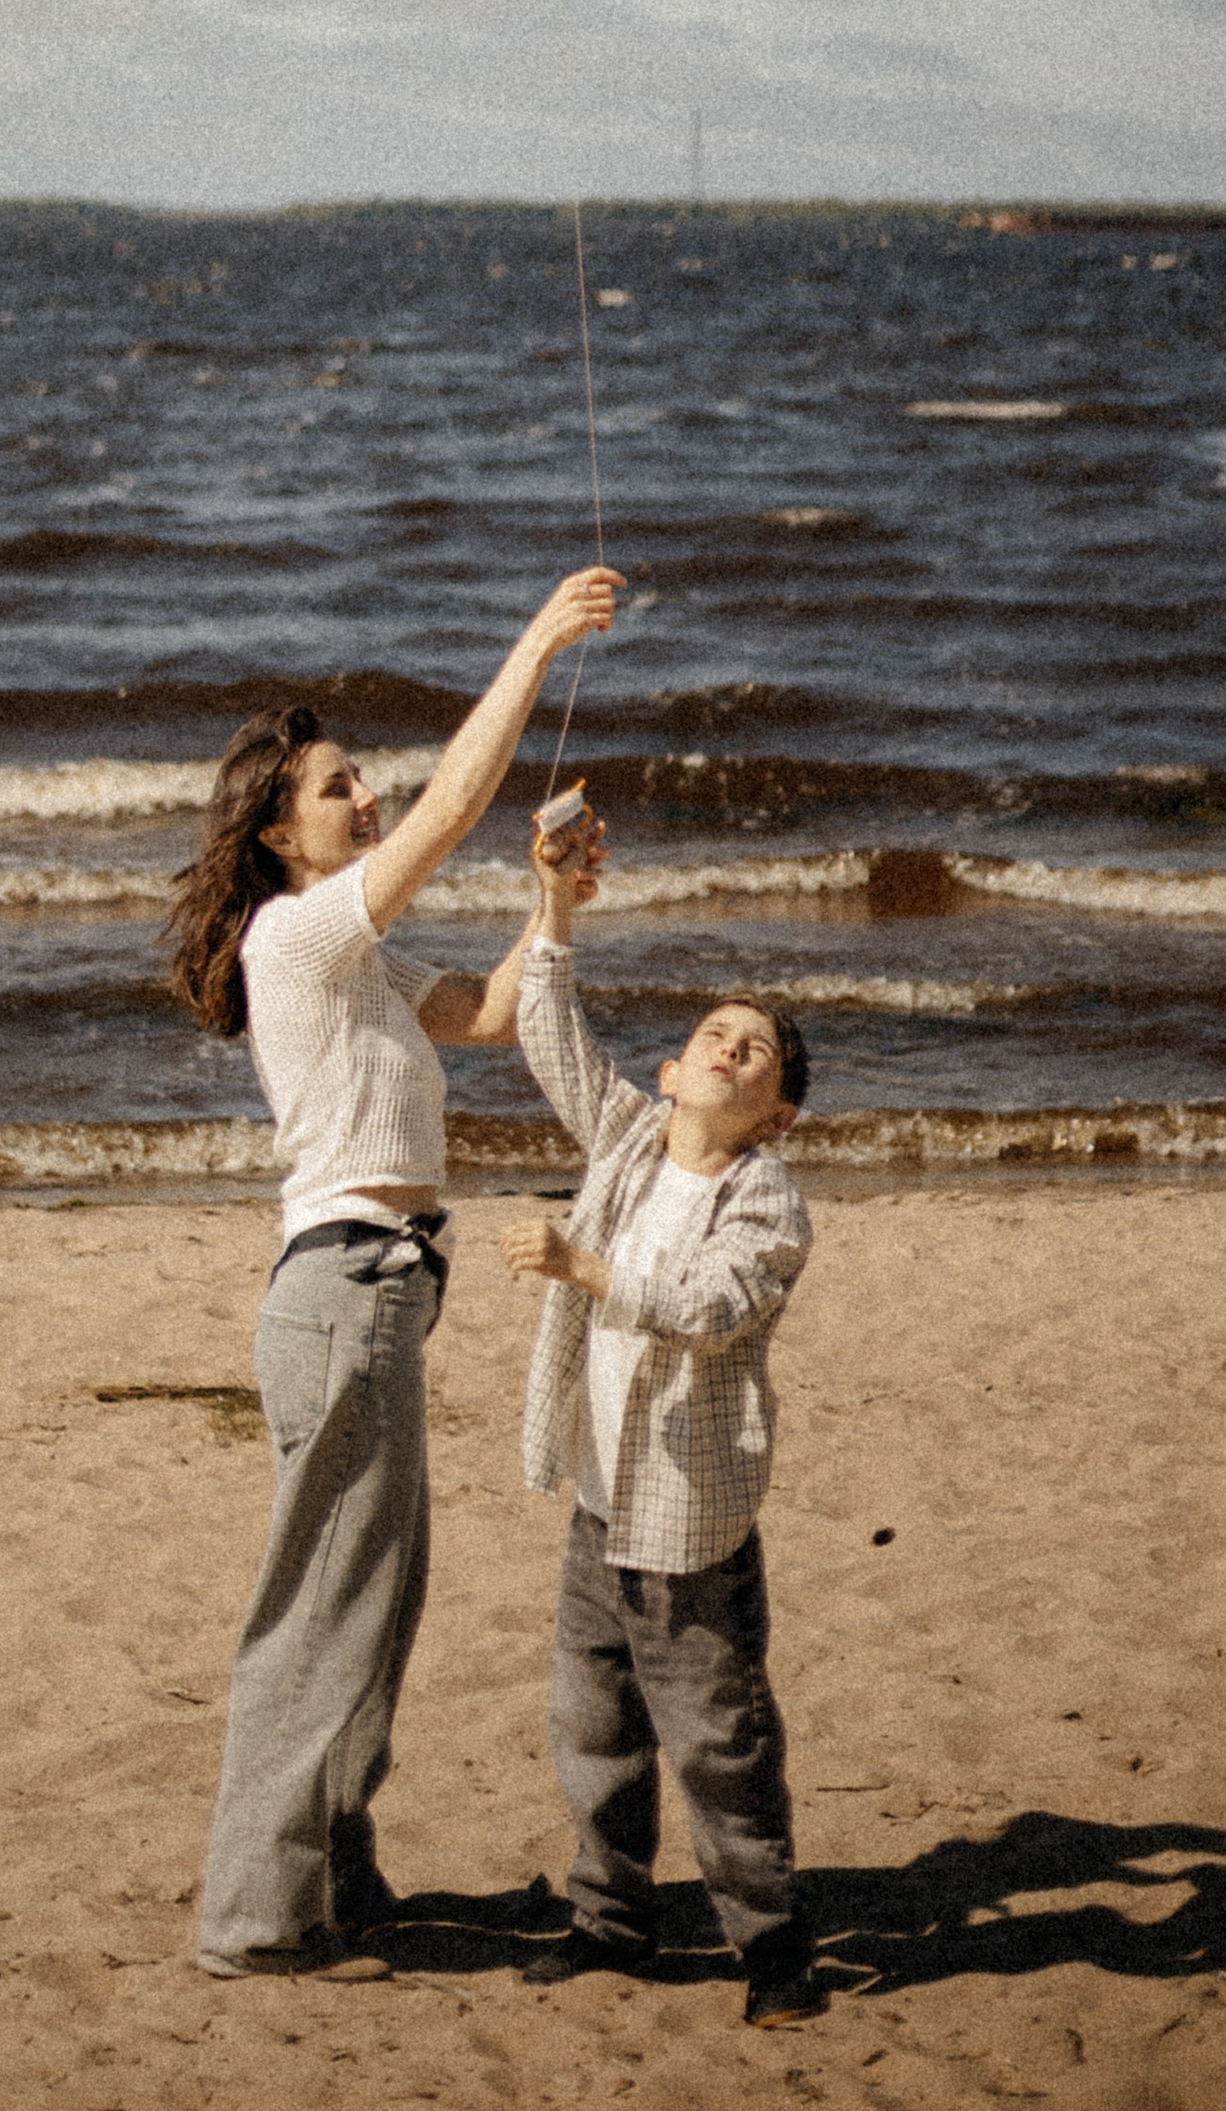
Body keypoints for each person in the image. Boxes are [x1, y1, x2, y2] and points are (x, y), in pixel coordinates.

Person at [169, 564, 624, 1982]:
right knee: (323, 1606)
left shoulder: (352, 959)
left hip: (374, 1300)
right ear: (277, 833)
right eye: (340, 790)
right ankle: (255, 1921)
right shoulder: (295, 933)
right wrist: (538, 647)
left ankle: (333, 1883)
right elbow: (451, 815)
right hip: (344, 1293)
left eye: (362, 784)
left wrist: (554, 906)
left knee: (375, 1598)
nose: (366, 801)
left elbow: (487, 1014)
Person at [498, 813, 833, 2027]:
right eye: (714, 1036)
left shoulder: (769, 1202)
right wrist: (554, 902)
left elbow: (709, 1307)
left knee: (718, 1743)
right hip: (601, 1502)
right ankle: (610, 1923)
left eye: (756, 1051)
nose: (731, 1050)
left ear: (777, 1111)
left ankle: (774, 1950)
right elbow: (547, 1030)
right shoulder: (630, 1142)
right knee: (591, 1727)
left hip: (688, 1524)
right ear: (671, 1075)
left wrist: (583, 1270)